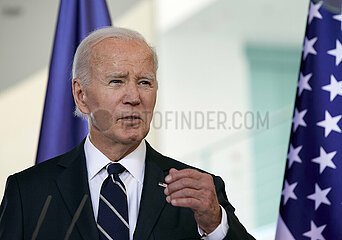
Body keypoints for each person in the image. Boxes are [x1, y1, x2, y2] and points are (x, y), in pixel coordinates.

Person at [0, 27, 254, 240]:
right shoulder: (28, 192)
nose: (134, 97)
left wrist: (214, 224)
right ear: (81, 95)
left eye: (145, 82)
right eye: (116, 81)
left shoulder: (199, 193)